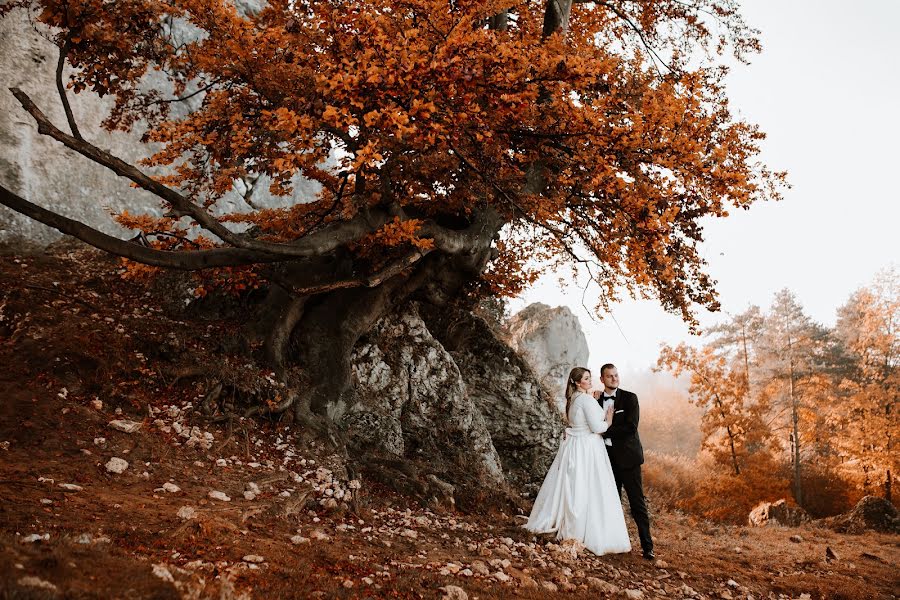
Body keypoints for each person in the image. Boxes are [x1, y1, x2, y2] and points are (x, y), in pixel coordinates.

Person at [524, 367, 631, 556]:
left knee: (575, 487)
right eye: (586, 379)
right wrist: (609, 420)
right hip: (588, 449)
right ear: (577, 382)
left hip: (576, 446)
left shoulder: (573, 400)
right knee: (590, 488)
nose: (590, 381)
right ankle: (588, 530)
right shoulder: (586, 400)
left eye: (590, 378)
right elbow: (597, 427)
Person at [594, 363, 655, 560]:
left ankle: (648, 547)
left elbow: (631, 427)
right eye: (609, 376)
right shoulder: (595, 400)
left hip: (628, 460)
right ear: (602, 379)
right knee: (611, 502)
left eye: (616, 375)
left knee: (637, 503)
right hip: (606, 460)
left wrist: (604, 430)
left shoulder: (630, 398)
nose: (614, 378)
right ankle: (613, 542)